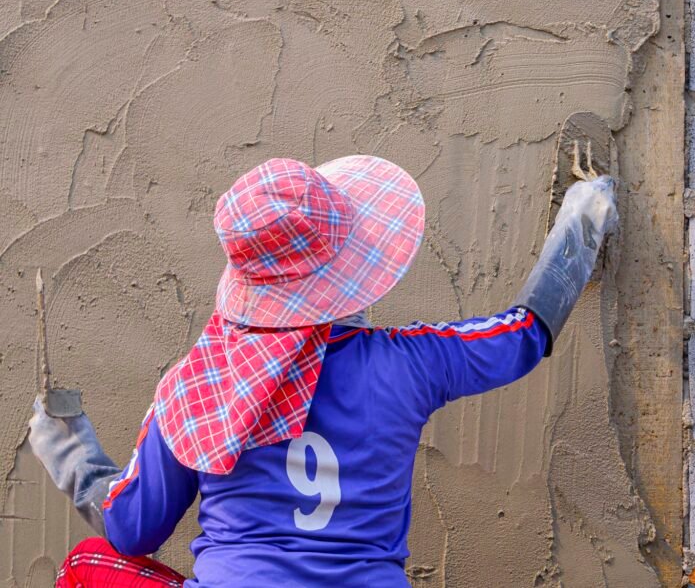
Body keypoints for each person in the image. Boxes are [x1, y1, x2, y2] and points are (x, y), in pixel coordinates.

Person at [28, 155, 618, 587]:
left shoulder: (198, 385)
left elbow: (131, 530)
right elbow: (523, 335)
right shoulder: (410, 361)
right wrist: (581, 222)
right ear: (355, 265)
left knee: (88, 567)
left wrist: (73, 452)